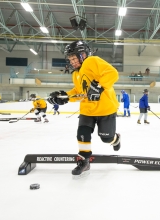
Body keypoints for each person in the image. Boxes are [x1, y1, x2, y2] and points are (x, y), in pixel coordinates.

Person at [47, 40, 121, 178]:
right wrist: (64, 96)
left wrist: (99, 86)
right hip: (87, 110)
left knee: (106, 139)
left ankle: (115, 139)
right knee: (82, 133)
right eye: (70, 59)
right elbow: (79, 92)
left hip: (106, 109)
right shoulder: (75, 74)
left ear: (83, 55)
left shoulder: (91, 61)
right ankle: (84, 160)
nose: (72, 61)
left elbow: (113, 73)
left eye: (74, 58)